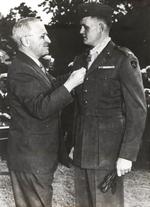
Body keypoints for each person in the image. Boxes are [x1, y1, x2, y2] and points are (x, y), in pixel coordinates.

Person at [70, 2, 147, 207]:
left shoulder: (123, 59)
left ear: (101, 28)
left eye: (85, 27)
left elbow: (137, 110)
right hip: (82, 150)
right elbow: (79, 106)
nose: (80, 31)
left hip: (108, 153)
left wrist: (127, 155)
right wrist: (73, 142)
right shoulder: (80, 60)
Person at [7, 17, 86, 207]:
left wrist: (77, 72)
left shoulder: (32, 65)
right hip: (31, 159)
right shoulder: (21, 70)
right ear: (26, 41)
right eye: (43, 36)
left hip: (36, 158)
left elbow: (51, 86)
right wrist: (71, 83)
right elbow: (41, 108)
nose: (48, 40)